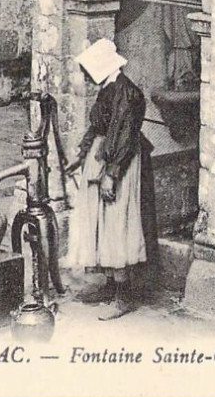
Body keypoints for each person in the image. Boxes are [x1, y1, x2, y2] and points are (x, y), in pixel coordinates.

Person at [66, 38, 157, 320]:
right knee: (102, 224)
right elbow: (97, 127)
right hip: (103, 157)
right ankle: (110, 285)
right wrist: (81, 155)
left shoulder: (128, 93)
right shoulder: (108, 88)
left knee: (119, 225)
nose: (86, 76)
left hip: (121, 162)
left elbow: (126, 136)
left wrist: (112, 175)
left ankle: (124, 295)